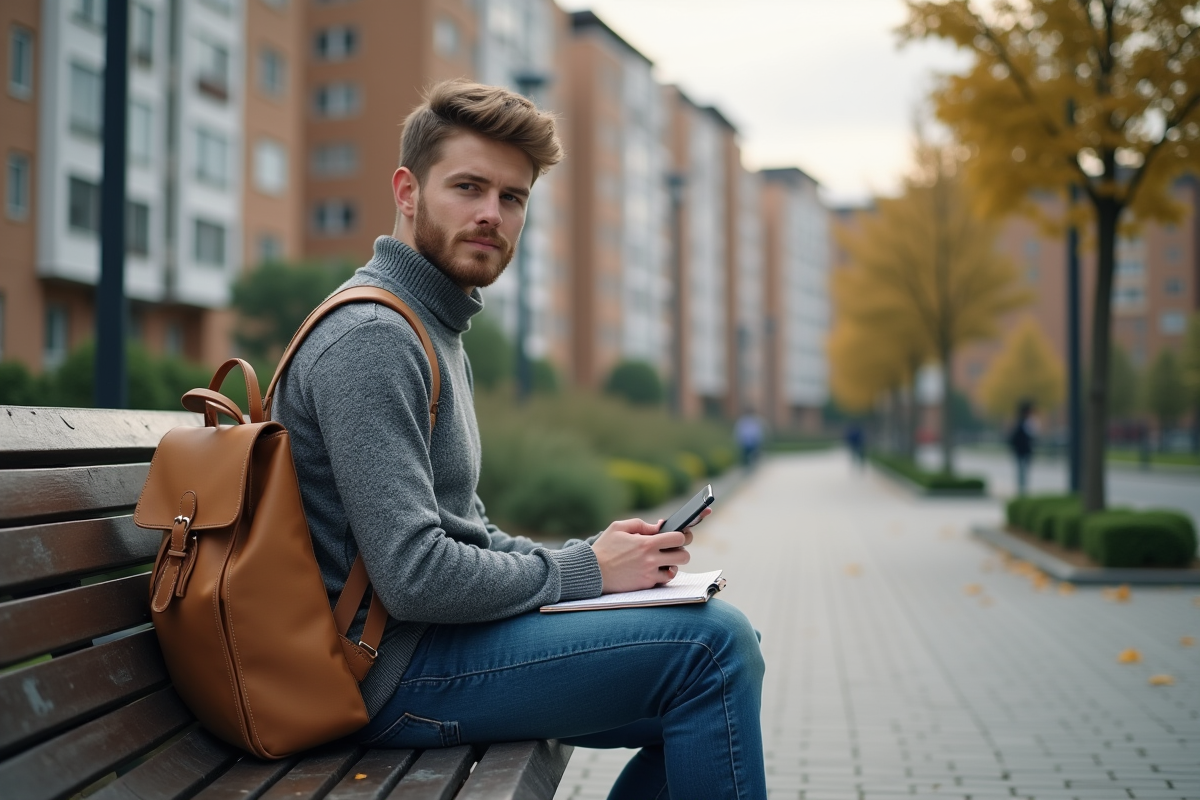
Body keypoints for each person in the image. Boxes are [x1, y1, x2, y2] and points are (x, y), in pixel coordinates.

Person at [272, 80, 766, 800]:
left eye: (512, 197)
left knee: (721, 651)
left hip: (423, 650)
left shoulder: (430, 326)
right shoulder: (374, 337)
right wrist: (586, 573)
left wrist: (595, 559)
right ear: (407, 191)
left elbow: (465, 529)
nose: (491, 214)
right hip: (381, 675)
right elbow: (415, 575)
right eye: (468, 187)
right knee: (713, 652)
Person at [1007, 399, 1036, 496]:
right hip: (1022, 451)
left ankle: (1022, 490)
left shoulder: (1023, 422)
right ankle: (1022, 491)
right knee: (1022, 472)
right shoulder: (1023, 423)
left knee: (1022, 471)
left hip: (1022, 451)